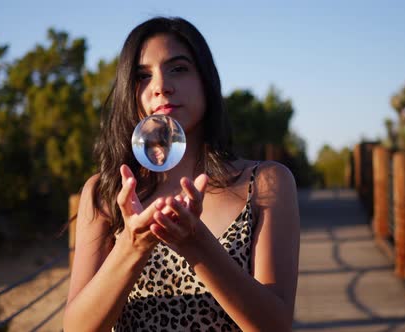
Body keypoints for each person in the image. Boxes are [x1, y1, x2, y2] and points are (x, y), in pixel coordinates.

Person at [63, 17, 300, 331]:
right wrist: (132, 245)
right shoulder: (106, 193)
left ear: (205, 80)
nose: (161, 87)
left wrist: (196, 244)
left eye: (178, 68)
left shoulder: (266, 183)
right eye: (142, 76)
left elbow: (276, 326)